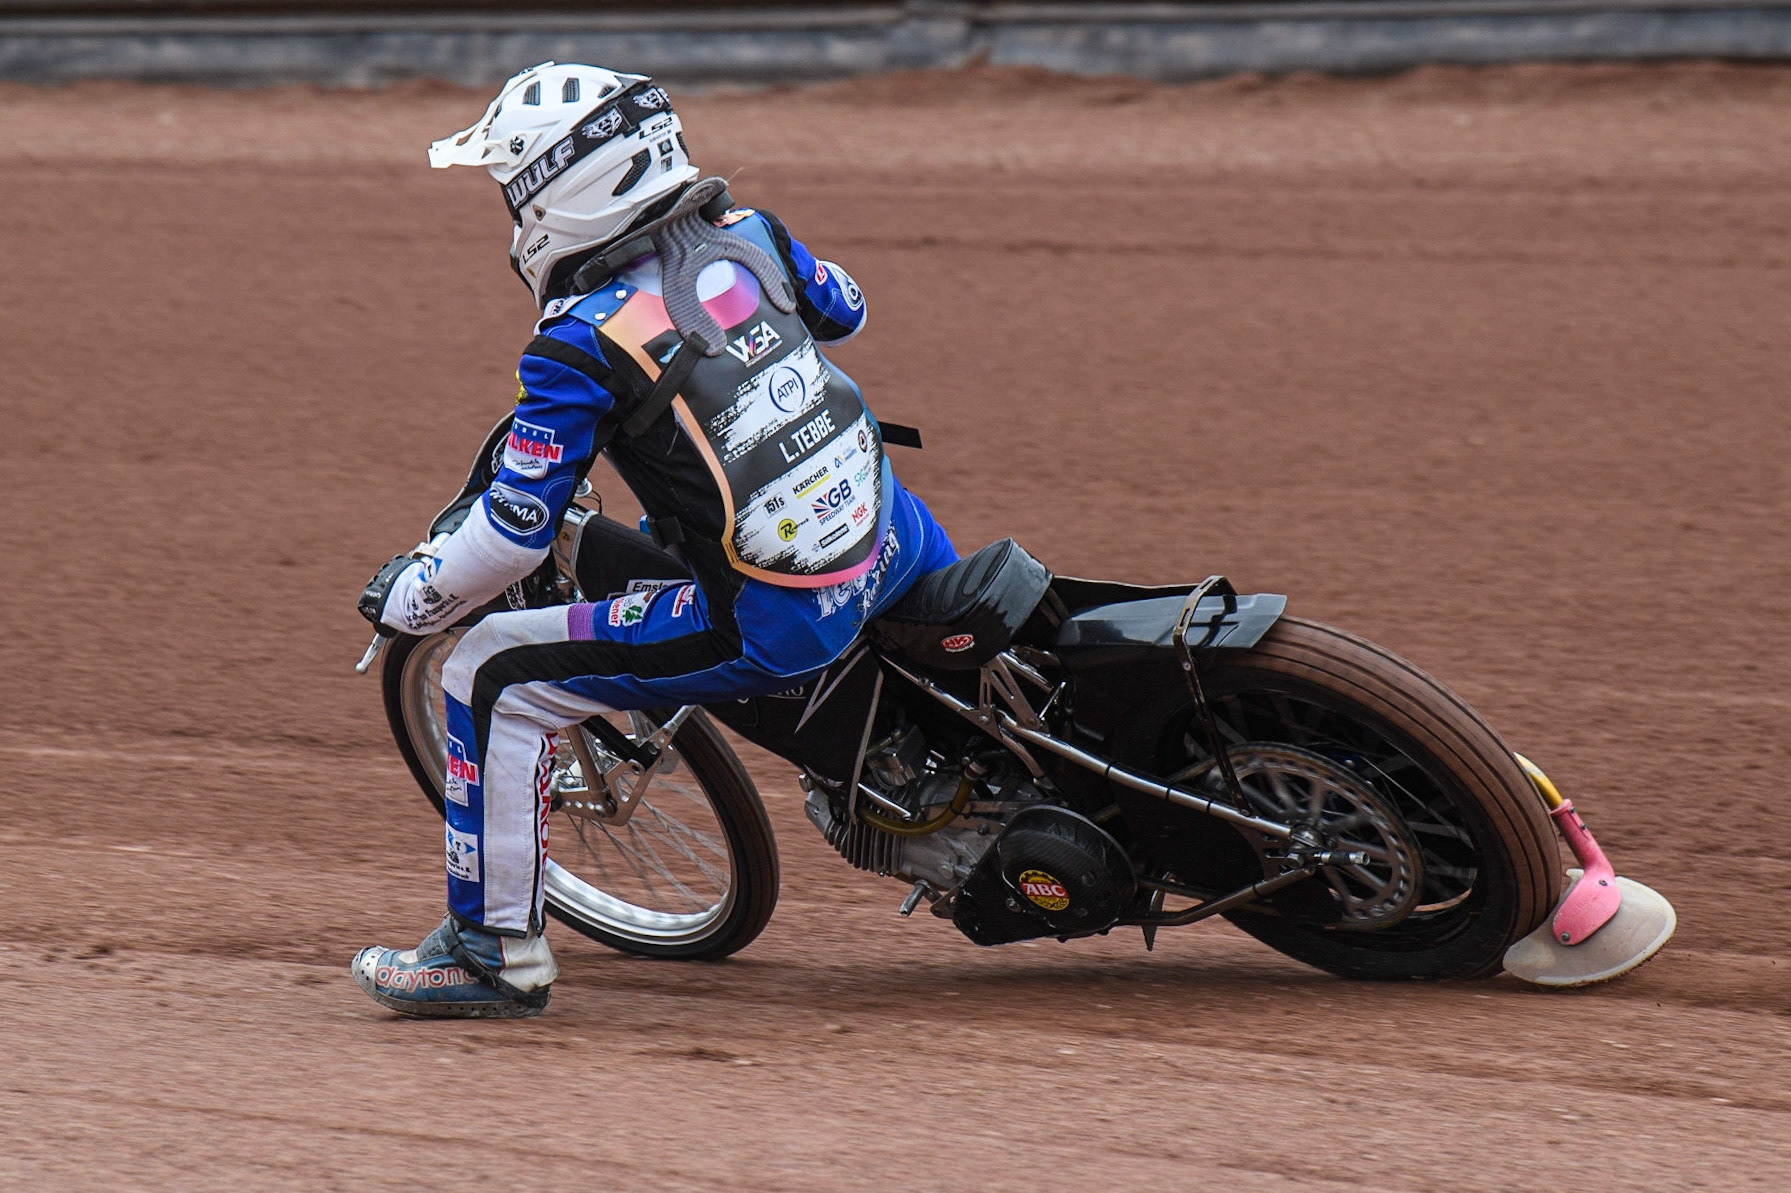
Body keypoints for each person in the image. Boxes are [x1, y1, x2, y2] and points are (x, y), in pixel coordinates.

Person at [352, 62, 957, 1018]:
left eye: (513, 192)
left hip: (781, 615)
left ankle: (489, 953)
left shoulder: (578, 342)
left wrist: (413, 596)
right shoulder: (752, 234)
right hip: (897, 535)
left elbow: (513, 537)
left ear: (557, 193)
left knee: (484, 673)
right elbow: (845, 307)